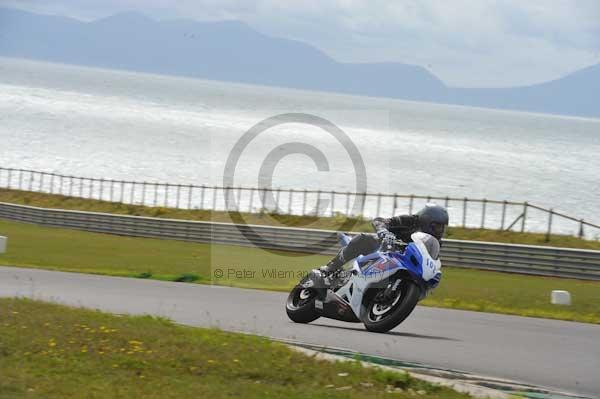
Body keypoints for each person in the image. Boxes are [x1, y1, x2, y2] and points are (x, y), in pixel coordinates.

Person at [318, 203, 449, 276]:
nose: (441, 230)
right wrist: (384, 232)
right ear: (427, 220)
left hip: (403, 263)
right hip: (383, 249)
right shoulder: (410, 221)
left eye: (443, 227)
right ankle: (331, 267)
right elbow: (380, 221)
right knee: (363, 238)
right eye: (437, 226)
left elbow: (431, 259)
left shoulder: (435, 242)